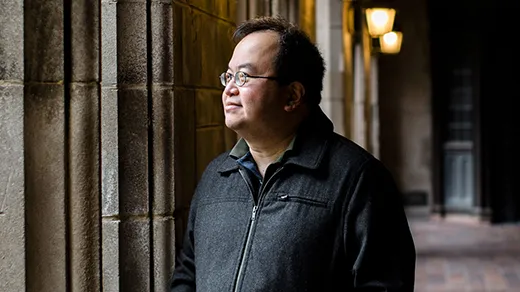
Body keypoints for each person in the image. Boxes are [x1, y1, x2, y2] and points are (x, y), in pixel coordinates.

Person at [170, 16, 415, 292]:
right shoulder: (217, 175)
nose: (229, 89)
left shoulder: (358, 179)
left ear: (293, 96)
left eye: (244, 76)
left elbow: (383, 285)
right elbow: (187, 274)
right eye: (228, 76)